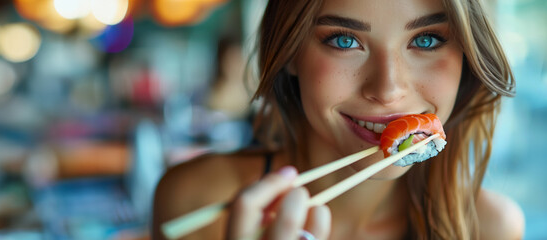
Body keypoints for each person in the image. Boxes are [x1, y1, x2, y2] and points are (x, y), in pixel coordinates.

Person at [152, 0, 525, 239]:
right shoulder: (198, 202)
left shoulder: (489, 229)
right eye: (344, 40)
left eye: (426, 40)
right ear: (291, 53)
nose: (388, 89)